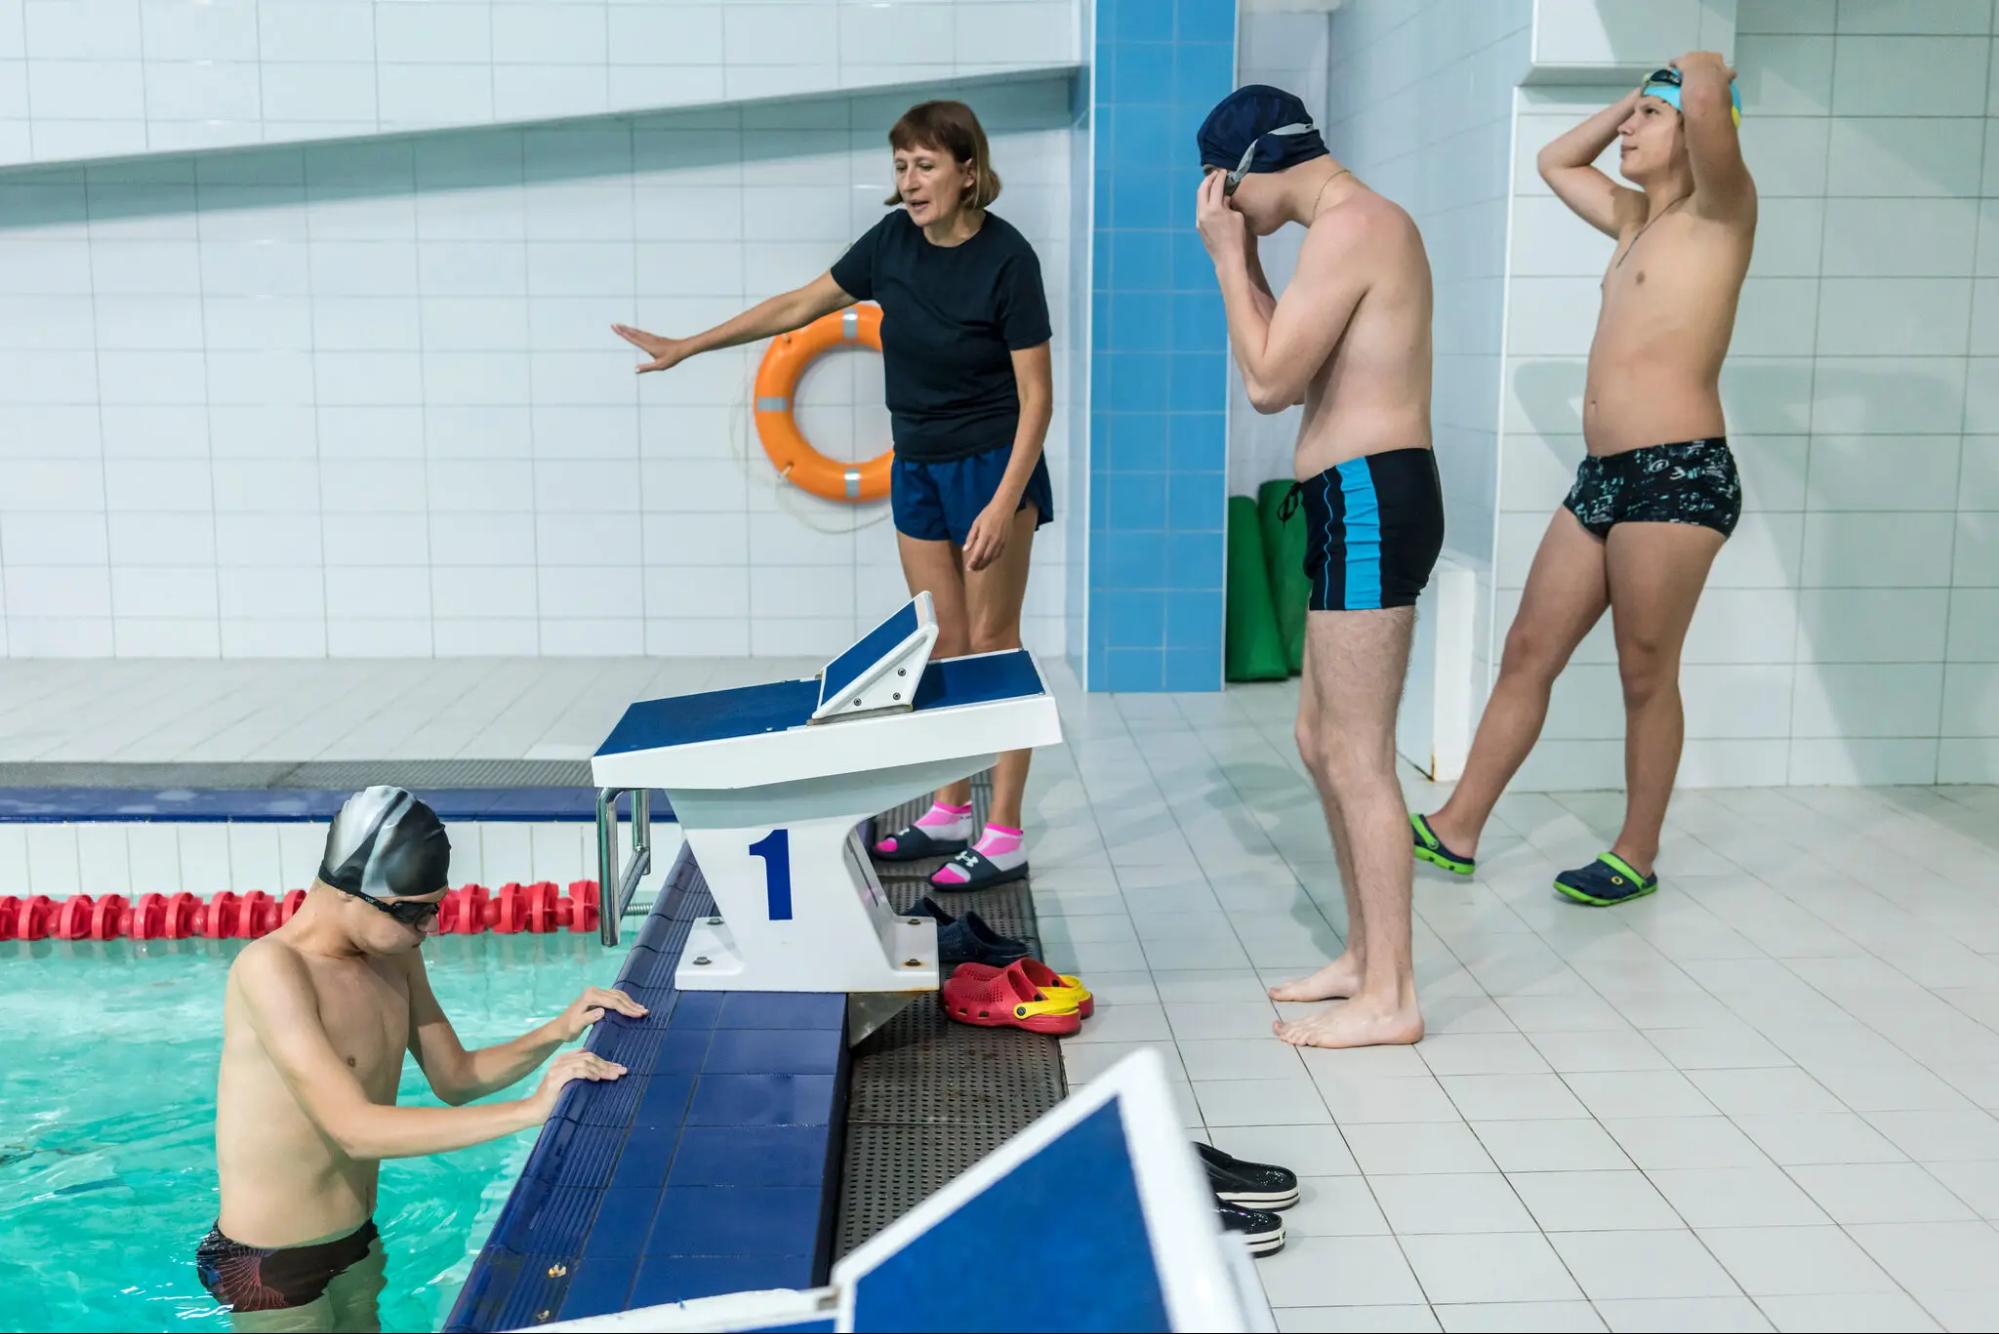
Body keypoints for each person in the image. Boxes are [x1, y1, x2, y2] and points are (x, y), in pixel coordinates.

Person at [613, 99, 1054, 893]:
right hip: (916, 465)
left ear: (968, 172)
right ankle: (951, 808)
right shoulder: (890, 244)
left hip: (991, 466)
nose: (909, 181)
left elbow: (1038, 398)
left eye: (924, 166)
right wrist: (690, 345)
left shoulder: (1007, 259)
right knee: (940, 641)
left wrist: (1002, 500)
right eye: (899, 166)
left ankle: (1005, 828)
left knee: (993, 644)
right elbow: (796, 305)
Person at [1412, 54, 1753, 908]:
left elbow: (1708, 89)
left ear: (1696, 130)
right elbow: (1554, 162)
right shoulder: (1633, 219)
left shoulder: (1723, 211)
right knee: (1528, 650)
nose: (1626, 131)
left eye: (1648, 118)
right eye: (1628, 116)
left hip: (1678, 476)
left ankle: (1635, 852)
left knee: (1643, 670)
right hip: (1603, 476)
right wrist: (1631, 100)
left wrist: (1695, 69)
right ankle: (1456, 826)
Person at [198, 786, 637, 1331]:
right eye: (416, 913)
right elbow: (354, 1130)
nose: (429, 930)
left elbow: (456, 1077)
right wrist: (529, 1111)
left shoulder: (394, 957)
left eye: (435, 910)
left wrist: (559, 1031)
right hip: (271, 1266)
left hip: (358, 1239)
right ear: (353, 893)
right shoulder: (270, 969)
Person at [1196, 86, 1443, 1049]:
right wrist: (1246, 256)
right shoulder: (1338, 232)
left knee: (1357, 754)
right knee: (1316, 738)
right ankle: (1363, 957)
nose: (1223, 211)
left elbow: (1264, 384)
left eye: (1222, 192)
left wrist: (1226, 258)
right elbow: (1282, 356)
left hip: (1375, 499)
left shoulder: (1354, 225)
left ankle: (1395, 996)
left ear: (1247, 167)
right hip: (1351, 502)